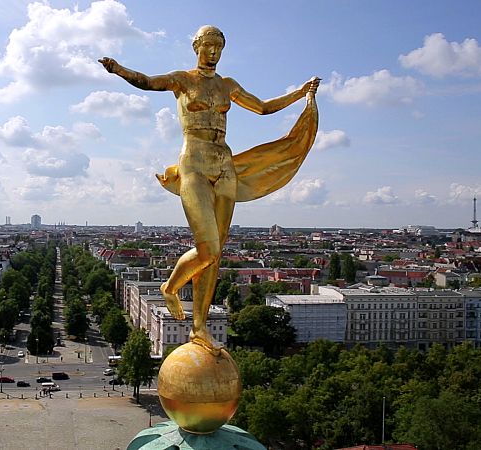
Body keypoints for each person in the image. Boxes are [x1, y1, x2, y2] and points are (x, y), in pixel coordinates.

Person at [99, 25, 319, 351]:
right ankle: (170, 287)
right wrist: (118, 70)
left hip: (225, 166)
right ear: (196, 47)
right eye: (209, 46)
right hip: (195, 165)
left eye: (219, 48)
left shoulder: (227, 85)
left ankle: (199, 328)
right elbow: (146, 82)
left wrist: (300, 94)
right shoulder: (182, 80)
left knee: (215, 257)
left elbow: (263, 108)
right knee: (208, 249)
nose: (214, 53)